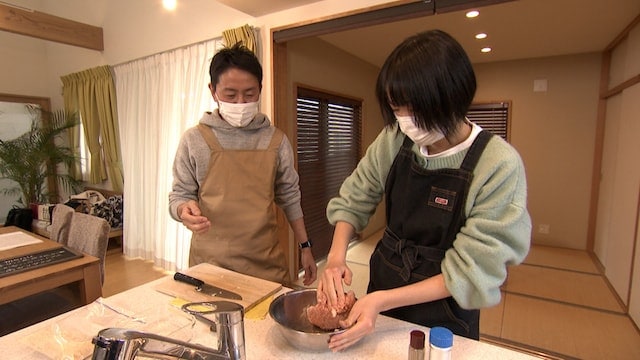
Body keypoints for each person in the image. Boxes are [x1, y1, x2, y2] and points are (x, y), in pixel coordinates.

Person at [317, 30, 531, 351]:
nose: (405, 120)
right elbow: (356, 196)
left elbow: (471, 270)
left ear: (452, 99)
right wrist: (335, 258)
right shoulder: (394, 140)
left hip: (446, 306)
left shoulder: (497, 164)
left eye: (415, 109)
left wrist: (381, 301)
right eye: (396, 108)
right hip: (384, 282)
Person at [169, 43, 317, 286]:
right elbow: (179, 195)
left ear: (260, 89)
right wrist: (182, 210)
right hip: (210, 266)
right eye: (230, 94)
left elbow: (290, 197)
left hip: (265, 264)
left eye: (249, 94)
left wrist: (305, 247)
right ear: (213, 91)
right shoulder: (194, 140)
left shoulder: (275, 140)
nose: (240, 102)